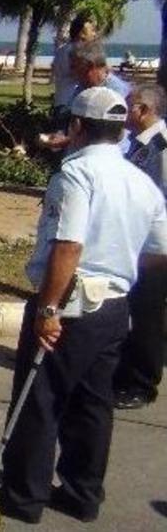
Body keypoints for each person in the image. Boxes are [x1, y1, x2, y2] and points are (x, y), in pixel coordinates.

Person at [0, 87, 167, 525]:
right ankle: (82, 493)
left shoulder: (74, 175)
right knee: (93, 404)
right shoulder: (140, 180)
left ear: (76, 127)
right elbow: (159, 248)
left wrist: (49, 308)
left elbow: (68, 245)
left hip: (71, 299)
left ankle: (24, 496)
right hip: (113, 304)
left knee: (41, 399)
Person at [113, 84, 167, 410]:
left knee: (147, 314)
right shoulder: (140, 145)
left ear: (143, 110)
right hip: (136, 242)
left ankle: (143, 383)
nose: (124, 112)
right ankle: (126, 372)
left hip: (155, 248)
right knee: (134, 311)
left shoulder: (161, 148)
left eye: (128, 106)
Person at [51, 13, 96, 111]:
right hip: (72, 103)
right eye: (92, 30)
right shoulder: (76, 52)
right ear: (81, 33)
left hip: (62, 100)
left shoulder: (62, 50)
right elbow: (81, 75)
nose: (94, 34)